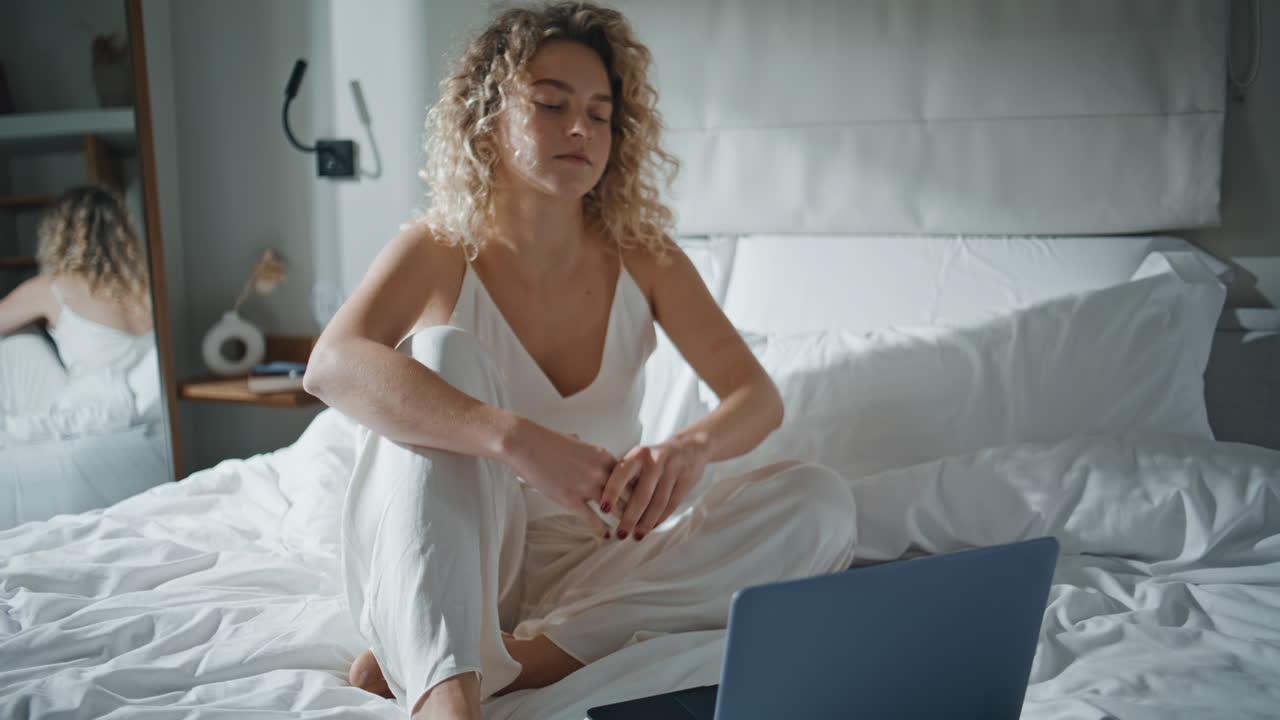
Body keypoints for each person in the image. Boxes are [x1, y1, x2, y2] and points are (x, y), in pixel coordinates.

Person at [303, 3, 857, 719]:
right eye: (551, 104)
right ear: (487, 119)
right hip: (460, 546)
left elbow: (756, 397)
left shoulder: (647, 258)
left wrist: (688, 449)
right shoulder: (437, 249)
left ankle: (506, 660)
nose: (580, 129)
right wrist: (516, 441)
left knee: (820, 505)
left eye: (599, 114)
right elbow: (331, 364)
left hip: (593, 564)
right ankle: (448, 696)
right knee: (442, 352)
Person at [0, 184, 154, 417]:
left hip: (92, 411)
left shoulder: (52, 287)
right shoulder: (149, 286)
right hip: (147, 407)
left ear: (58, 234)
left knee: (17, 339)